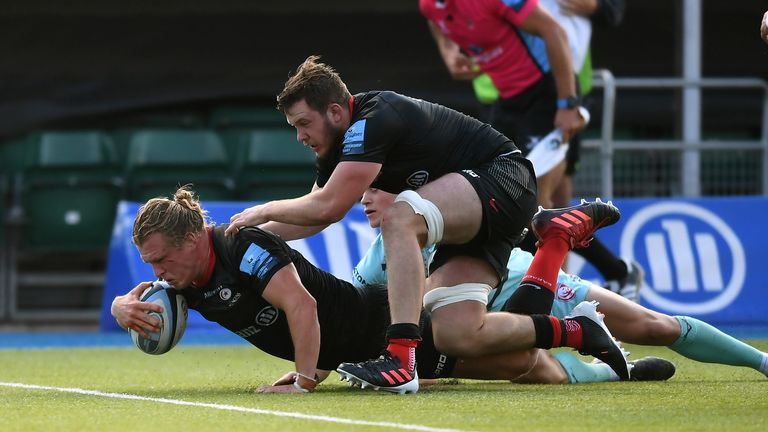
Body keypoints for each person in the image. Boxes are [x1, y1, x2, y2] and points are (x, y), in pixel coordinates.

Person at [224, 56, 627, 393]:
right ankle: (576, 328)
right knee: (457, 334)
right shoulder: (338, 145)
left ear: (334, 111)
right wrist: (234, 243)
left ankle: (401, 359)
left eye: (302, 124)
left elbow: (329, 207)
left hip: (505, 177)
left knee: (400, 217)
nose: (299, 137)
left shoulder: (372, 117)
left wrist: (259, 212)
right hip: (471, 209)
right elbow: (311, 216)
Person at [110, 187, 633, 395]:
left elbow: (302, 305)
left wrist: (306, 381)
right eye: (149, 262)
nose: (156, 270)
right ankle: (616, 366)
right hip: (357, 351)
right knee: (522, 367)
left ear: (192, 240)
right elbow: (145, 293)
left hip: (380, 329)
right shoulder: (186, 274)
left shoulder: (239, 247)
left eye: (159, 258)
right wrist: (120, 306)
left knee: (520, 359)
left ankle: (570, 303)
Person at [356, 187, 768, 381]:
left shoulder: (446, 208)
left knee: (653, 326)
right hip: (494, 319)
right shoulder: (374, 258)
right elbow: (359, 312)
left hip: (521, 282)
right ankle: (616, 369)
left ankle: (762, 363)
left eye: (376, 190)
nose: (365, 200)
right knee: (544, 374)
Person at [422, 0, 643, 303]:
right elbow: (436, 21)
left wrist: (568, 103)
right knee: (537, 200)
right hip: (508, 102)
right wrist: (449, 52)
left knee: (532, 203)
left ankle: (546, 292)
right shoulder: (430, 4)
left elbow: (555, 30)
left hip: (550, 96)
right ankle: (611, 273)